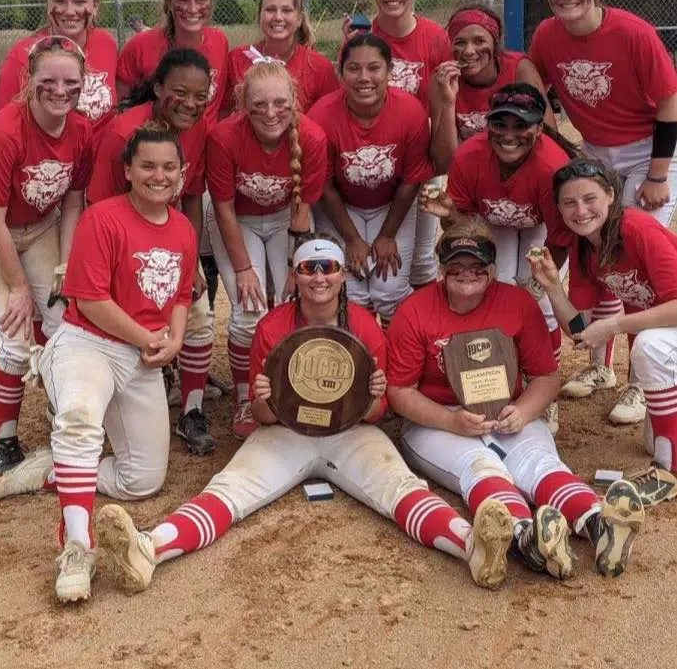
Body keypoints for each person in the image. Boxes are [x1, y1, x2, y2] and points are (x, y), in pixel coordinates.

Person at [95, 234, 516, 595]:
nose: (319, 277)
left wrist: (374, 397)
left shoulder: (367, 326)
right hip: (287, 431)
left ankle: (472, 546)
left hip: (351, 431)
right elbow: (263, 415)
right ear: (295, 276)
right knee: (228, 490)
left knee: (401, 488)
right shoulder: (273, 327)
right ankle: (150, 548)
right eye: (309, 268)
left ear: (342, 275)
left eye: (328, 267)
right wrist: (261, 399)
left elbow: (374, 414)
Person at [387, 216, 645, 580]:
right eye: (456, 267)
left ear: (492, 270)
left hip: (506, 408)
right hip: (438, 416)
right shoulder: (415, 310)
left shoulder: (516, 302)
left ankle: (599, 524)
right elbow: (399, 391)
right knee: (481, 467)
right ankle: (529, 535)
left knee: (540, 463)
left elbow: (545, 376)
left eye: (477, 267)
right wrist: (450, 421)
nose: (466, 274)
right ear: (441, 269)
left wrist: (523, 412)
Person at [32, 125, 196, 603]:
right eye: (147, 165)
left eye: (169, 167)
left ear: (182, 174)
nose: (158, 175)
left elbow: (181, 296)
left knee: (142, 480)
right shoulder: (103, 218)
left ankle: (55, 471)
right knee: (81, 419)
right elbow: (91, 300)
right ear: (127, 170)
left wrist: (176, 340)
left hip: (141, 355)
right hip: (90, 342)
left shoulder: (183, 228)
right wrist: (150, 337)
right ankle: (78, 546)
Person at [530, 0, 677, 424]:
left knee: (632, 256)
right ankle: (601, 367)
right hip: (593, 147)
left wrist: (657, 174)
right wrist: (545, 114)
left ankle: (641, 378)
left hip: (645, 146)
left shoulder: (632, 31)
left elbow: (670, 99)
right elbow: (531, 70)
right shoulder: (548, 33)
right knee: (595, 252)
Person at [0, 36, 91, 474]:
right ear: (29, 80)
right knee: (15, 336)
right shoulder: (3, 131)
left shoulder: (81, 129)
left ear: (83, 82)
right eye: (48, 80)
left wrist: (66, 266)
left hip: (42, 225)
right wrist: (17, 288)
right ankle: (5, 436)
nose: (59, 90)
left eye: (71, 81)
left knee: (61, 320)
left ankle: (60, 412)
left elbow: (72, 202)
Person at [419, 83, 577, 430]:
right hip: (491, 224)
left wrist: (544, 279)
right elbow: (461, 227)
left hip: (539, 226)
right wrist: (447, 214)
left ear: (539, 127)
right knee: (497, 296)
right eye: (500, 124)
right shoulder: (470, 156)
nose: (509, 134)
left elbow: (561, 236)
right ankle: (501, 382)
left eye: (521, 125)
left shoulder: (552, 165)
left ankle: (543, 392)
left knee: (542, 310)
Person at [88, 48, 216, 455]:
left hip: (170, 236)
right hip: (123, 240)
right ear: (158, 88)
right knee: (125, 321)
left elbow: (192, 197)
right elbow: (101, 208)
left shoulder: (197, 128)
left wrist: (191, 263)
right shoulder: (124, 133)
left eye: (201, 95)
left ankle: (191, 410)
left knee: (197, 318)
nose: (191, 103)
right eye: (180, 92)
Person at [531, 159, 677, 484]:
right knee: (655, 439)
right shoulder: (585, 248)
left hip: (666, 334)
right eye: (569, 202)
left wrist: (613, 326)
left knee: (648, 346)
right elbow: (581, 334)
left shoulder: (637, 229)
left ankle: (671, 472)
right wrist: (553, 287)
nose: (580, 211)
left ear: (611, 195)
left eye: (589, 198)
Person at [206, 61, 327, 439]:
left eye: (279, 102)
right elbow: (223, 207)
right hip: (236, 221)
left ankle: (288, 383)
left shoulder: (311, 137)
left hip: (284, 220)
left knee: (295, 299)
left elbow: (302, 208)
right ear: (242, 102)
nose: (270, 113)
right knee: (249, 311)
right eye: (258, 104)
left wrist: (296, 264)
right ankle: (246, 396)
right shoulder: (225, 136)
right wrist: (243, 269)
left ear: (294, 101)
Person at [308, 34, 434, 328]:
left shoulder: (411, 112)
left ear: (390, 72)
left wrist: (387, 235)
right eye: (353, 68)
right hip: (341, 206)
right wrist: (352, 239)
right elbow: (324, 186)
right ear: (341, 73)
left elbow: (409, 181)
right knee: (350, 291)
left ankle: (397, 359)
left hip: (391, 204)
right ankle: (360, 359)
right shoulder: (322, 115)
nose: (364, 77)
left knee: (388, 290)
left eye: (374, 68)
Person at [343, 0, 449, 289]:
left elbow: (441, 104)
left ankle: (418, 330)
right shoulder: (360, 37)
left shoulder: (433, 37)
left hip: (418, 154)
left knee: (419, 257)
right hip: (374, 157)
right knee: (375, 256)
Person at [0, 0, 117, 135]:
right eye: (59, 1)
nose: (69, 11)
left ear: (95, 6)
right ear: (47, 5)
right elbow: (4, 125)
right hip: (51, 160)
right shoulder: (24, 56)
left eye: (79, 1)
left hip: (100, 157)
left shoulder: (106, 43)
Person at [430, 5, 554, 174]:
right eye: (460, 42)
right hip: (471, 171)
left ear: (495, 44)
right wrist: (449, 102)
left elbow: (549, 137)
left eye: (479, 41)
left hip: (519, 166)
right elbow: (444, 164)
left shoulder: (518, 69)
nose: (468, 51)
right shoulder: (443, 79)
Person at [116, 0, 228, 121]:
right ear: (168, 3)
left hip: (204, 142)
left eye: (201, 0)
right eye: (183, 0)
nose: (193, 9)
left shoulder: (219, 41)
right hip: (158, 141)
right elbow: (121, 106)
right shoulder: (140, 46)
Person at [223, 0, 338, 114]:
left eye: (287, 10)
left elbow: (330, 118)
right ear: (259, 15)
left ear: (299, 19)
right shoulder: (237, 58)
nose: (278, 17)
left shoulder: (319, 67)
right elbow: (223, 114)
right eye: (270, 9)